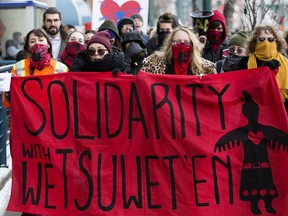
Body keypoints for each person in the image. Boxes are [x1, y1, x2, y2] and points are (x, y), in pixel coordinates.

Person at [237, 25, 288, 114]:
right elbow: (239, 88)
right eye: (261, 39)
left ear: (277, 42)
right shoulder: (245, 62)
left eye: (270, 39)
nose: (266, 43)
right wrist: (264, 71)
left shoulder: (286, 64)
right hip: (253, 114)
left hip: (278, 114)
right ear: (254, 42)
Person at [141, 26, 216, 75]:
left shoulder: (206, 68)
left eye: (186, 42)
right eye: (177, 42)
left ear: (192, 45)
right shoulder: (154, 63)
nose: (182, 45)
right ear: (170, 43)